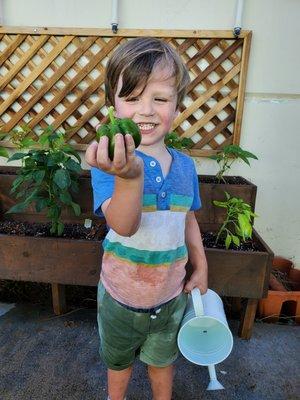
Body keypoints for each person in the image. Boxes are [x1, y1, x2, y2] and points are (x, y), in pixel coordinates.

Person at [85, 37, 208, 400]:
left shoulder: (185, 166)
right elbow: (123, 225)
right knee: (118, 364)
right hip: (121, 295)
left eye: (160, 98)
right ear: (113, 103)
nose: (147, 110)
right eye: (133, 96)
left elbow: (188, 219)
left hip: (170, 296)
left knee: (162, 362)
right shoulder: (110, 162)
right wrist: (130, 177)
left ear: (177, 104)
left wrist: (200, 265)